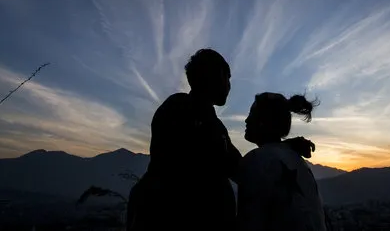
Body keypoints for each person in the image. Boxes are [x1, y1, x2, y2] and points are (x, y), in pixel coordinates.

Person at [126, 49, 315, 231]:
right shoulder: (180, 110)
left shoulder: (212, 124)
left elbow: (241, 169)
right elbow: (188, 170)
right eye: (228, 77)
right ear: (213, 76)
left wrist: (279, 147)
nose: (230, 85)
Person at [236, 92, 327, 231]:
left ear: (263, 121)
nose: (246, 120)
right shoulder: (298, 161)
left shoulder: (254, 161)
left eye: (252, 114)